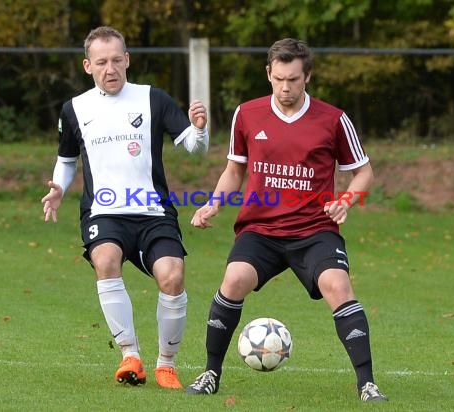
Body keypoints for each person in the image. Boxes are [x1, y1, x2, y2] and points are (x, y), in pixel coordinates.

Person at [185, 38, 387, 402]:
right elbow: (234, 170)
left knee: (338, 286)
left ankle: (367, 384)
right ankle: (211, 372)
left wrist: (346, 200)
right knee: (234, 280)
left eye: (293, 79)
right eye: (278, 79)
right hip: (261, 229)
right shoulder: (247, 114)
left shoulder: (334, 119)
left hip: (314, 230)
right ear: (268, 74)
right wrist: (213, 204)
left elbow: (364, 173)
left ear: (307, 76)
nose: (285, 87)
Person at [41, 26, 209, 390]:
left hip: (153, 212)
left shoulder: (153, 99)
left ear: (127, 60)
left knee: (173, 276)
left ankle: (166, 364)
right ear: (88, 65)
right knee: (105, 260)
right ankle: (130, 354)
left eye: (117, 60)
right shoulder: (75, 109)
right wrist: (59, 189)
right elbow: (67, 160)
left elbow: (193, 146)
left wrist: (200, 129)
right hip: (104, 212)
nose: (110, 68)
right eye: (101, 62)